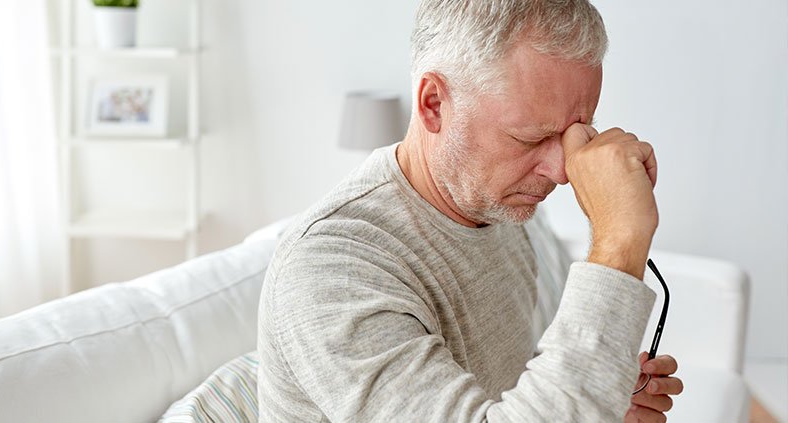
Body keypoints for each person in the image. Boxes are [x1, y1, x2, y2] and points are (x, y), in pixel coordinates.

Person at [257, 1, 684, 421]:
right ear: (433, 104)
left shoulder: (495, 209)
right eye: (529, 138)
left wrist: (594, 392)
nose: (560, 172)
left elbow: (498, 393)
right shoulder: (330, 271)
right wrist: (619, 238)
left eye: (577, 134)